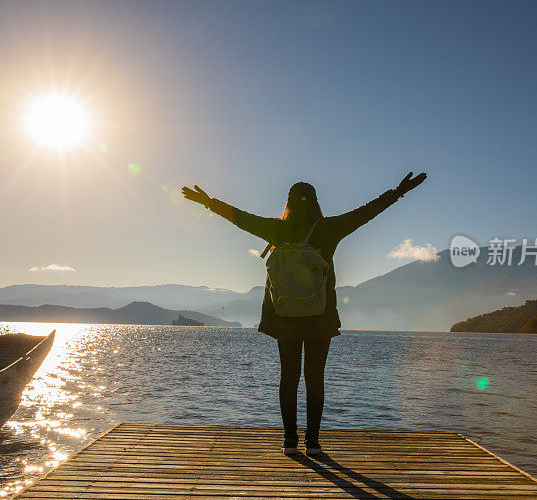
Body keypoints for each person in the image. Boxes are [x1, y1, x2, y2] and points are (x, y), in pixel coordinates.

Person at [181, 172, 427, 456]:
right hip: (319, 315)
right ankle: (313, 442)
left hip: (284, 315)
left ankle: (289, 442)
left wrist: (208, 202)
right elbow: (367, 212)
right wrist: (398, 192)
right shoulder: (329, 229)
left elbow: (240, 218)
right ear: (316, 202)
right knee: (315, 378)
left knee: (289, 377)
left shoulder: (277, 230)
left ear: (288, 203)